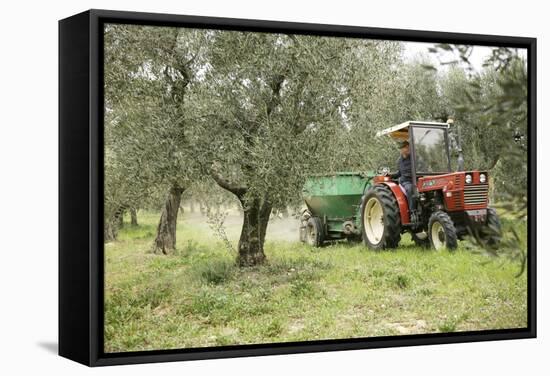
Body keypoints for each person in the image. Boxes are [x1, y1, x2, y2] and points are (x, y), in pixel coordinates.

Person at [390, 140, 417, 223]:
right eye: (405, 148)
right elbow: (399, 173)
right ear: (401, 150)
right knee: (410, 188)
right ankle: (413, 212)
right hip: (406, 182)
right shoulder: (399, 161)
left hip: (416, 180)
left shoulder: (415, 158)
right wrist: (390, 175)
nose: (407, 149)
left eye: (408, 147)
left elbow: (422, 168)